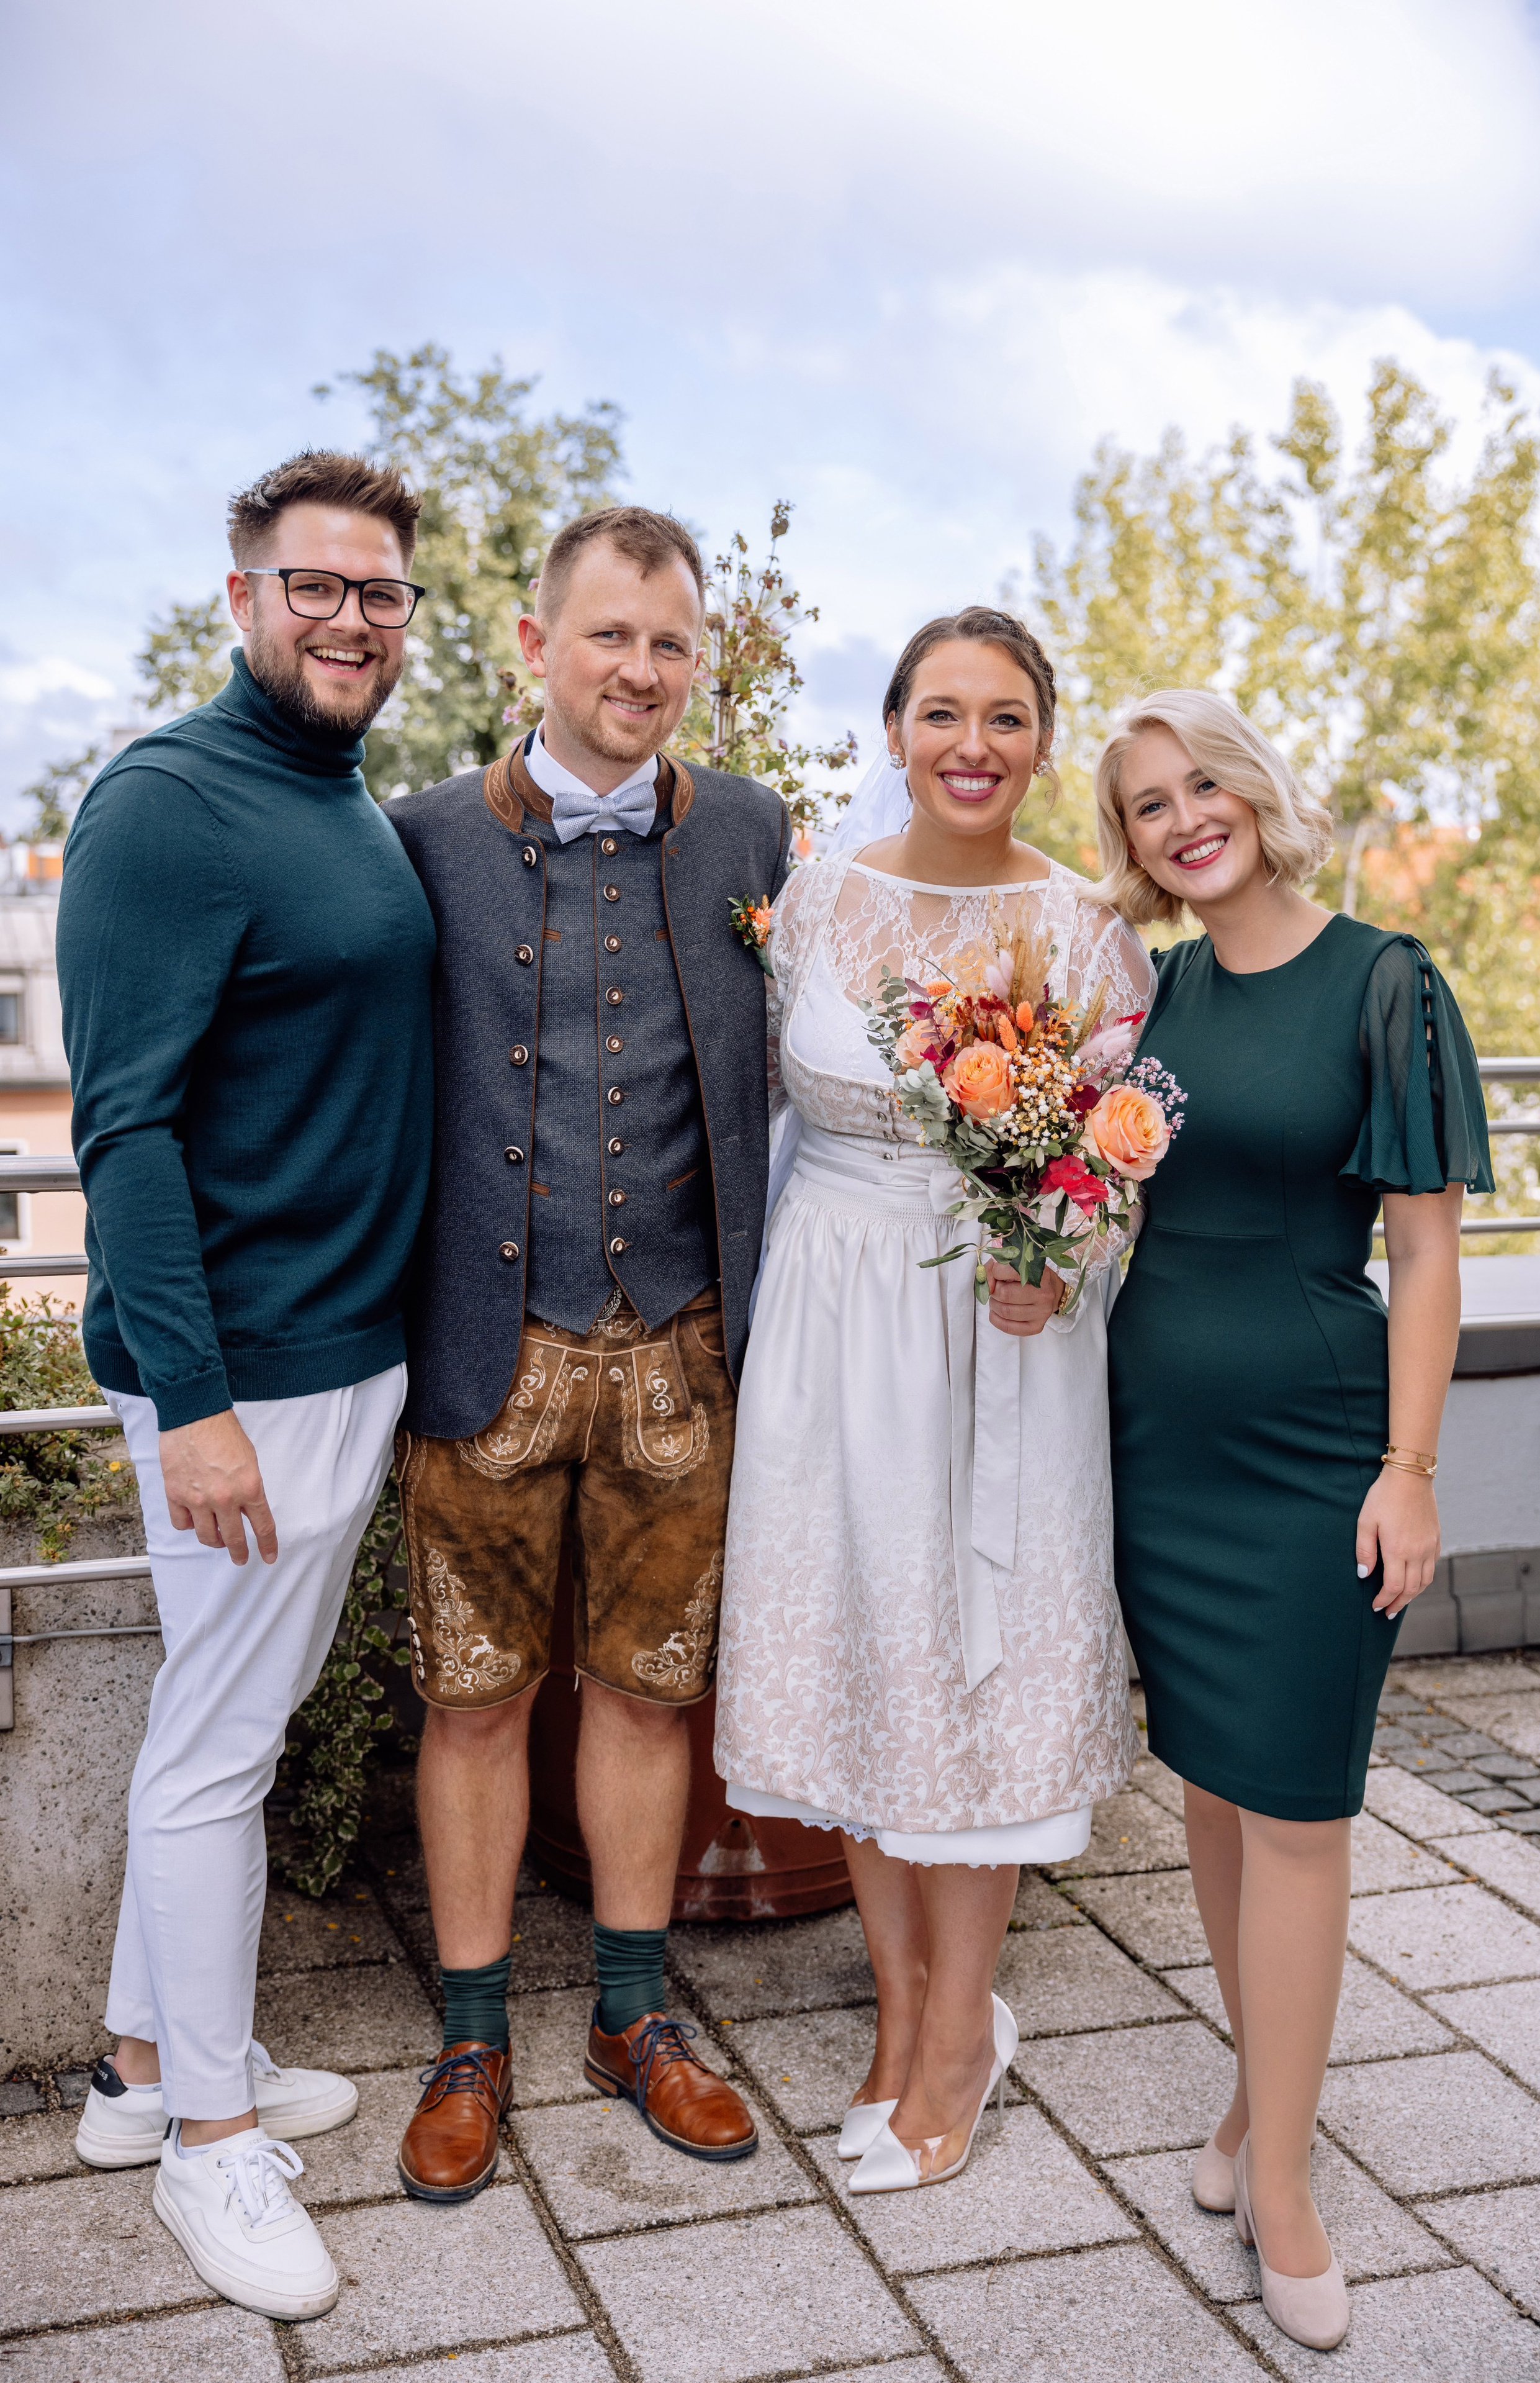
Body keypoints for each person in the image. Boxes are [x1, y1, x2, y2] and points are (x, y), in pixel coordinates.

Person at [56, 451, 437, 2318]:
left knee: (233, 1716)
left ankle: (145, 2070)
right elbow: (119, 1125)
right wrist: (192, 1396)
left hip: (342, 1350)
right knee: (219, 1746)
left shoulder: (338, 796)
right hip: (248, 1372)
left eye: (381, 594)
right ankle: (215, 2147)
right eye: (317, 587)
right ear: (241, 596)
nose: (351, 619)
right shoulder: (164, 804)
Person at [714, 608, 1150, 2194]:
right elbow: (763, 1113)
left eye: (1008, 716)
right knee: (866, 1665)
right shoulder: (817, 897)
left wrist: (1064, 1253)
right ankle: (897, 2017)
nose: (974, 743)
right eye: (942, 711)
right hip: (830, 1328)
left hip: (1002, 1335)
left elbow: (1120, 1156)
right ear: (893, 727)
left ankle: (962, 2027)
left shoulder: (1094, 931)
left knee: (967, 1684)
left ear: (1043, 739)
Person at [384, 505, 788, 2200]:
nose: (642, 669)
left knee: (647, 1690)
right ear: (533, 645)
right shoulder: (417, 839)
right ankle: (469, 2033)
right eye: (610, 635)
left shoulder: (759, 832)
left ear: (701, 663)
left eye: (672, 643)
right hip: (484, 1346)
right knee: (472, 1706)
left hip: (680, 1352)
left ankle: (632, 2011)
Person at [1101, 690, 1491, 2352]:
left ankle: (1285, 2179)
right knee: (1211, 1779)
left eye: (1201, 785)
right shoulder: (1154, 993)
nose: (1182, 818)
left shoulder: (1385, 978)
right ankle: (1263, 2098)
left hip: (1317, 1450)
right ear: (1130, 849)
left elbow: (1424, 1255)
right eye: (1142, 807)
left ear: (1255, 791)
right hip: (1154, 1443)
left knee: (1302, 1810)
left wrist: (1410, 1467)